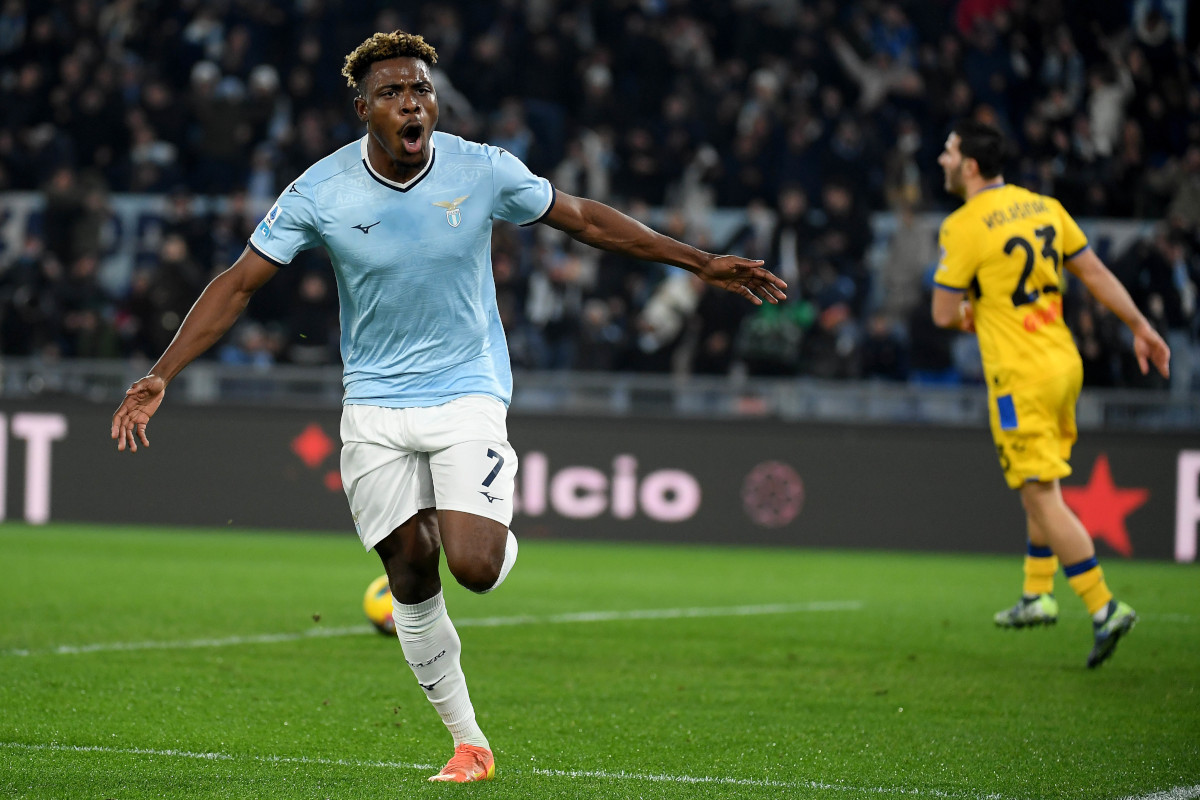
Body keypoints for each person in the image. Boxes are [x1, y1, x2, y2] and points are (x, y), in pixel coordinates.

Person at [110, 30, 786, 783]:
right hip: (372, 405)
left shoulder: (483, 168)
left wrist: (700, 263)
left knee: (473, 566)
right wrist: (162, 371)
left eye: (422, 90)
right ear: (364, 107)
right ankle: (469, 744)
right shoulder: (318, 191)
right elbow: (238, 284)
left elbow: (587, 220)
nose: (412, 103)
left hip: (466, 391)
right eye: (395, 92)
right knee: (407, 569)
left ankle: (487, 523)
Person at [930, 119, 1170, 668]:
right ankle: (1037, 594)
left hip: (1020, 376)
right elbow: (1094, 273)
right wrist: (1141, 327)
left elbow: (943, 313)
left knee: (1040, 493)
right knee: (1043, 481)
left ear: (969, 165)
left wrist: (981, 315)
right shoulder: (1044, 207)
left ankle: (1103, 605)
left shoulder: (964, 226)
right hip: (1063, 364)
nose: (941, 160)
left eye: (948, 152)